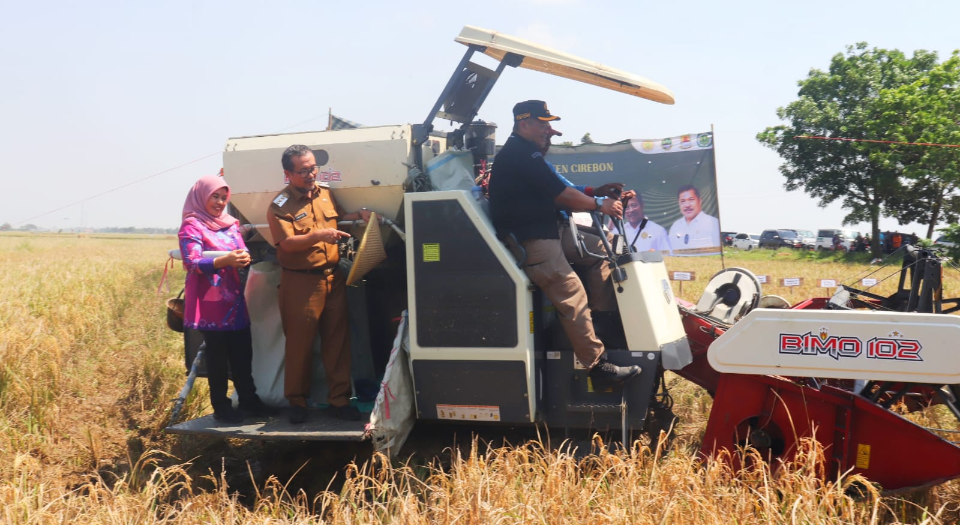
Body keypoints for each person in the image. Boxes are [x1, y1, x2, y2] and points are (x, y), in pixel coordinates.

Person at [488, 100, 640, 389]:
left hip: (550, 230)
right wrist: (598, 203)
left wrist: (597, 193)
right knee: (572, 293)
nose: (549, 130)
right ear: (524, 124)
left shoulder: (527, 155)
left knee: (605, 249)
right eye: (544, 124)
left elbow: (561, 188)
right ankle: (598, 366)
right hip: (532, 241)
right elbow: (563, 194)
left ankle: (605, 327)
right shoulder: (519, 156)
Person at [266, 145, 376, 424]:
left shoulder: (325, 193)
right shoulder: (280, 205)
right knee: (300, 345)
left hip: (333, 278)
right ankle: (298, 403)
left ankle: (340, 401)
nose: (311, 174)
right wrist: (320, 235)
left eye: (313, 167)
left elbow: (336, 220)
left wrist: (356, 216)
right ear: (287, 174)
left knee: (337, 343)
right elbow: (287, 244)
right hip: (301, 283)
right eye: (303, 170)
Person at [178, 174, 274, 423]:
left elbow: (241, 250)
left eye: (224, 198)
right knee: (218, 357)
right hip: (210, 302)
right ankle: (221, 407)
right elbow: (192, 262)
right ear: (202, 197)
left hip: (233, 298)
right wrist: (226, 260)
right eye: (215, 197)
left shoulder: (230, 223)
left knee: (243, 353)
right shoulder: (192, 225)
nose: (220, 203)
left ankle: (249, 401)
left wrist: (243, 259)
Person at [667, 185, 721, 254]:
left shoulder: (713, 223)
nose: (687, 205)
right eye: (683, 201)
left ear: (700, 201)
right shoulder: (675, 226)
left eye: (691, 199)